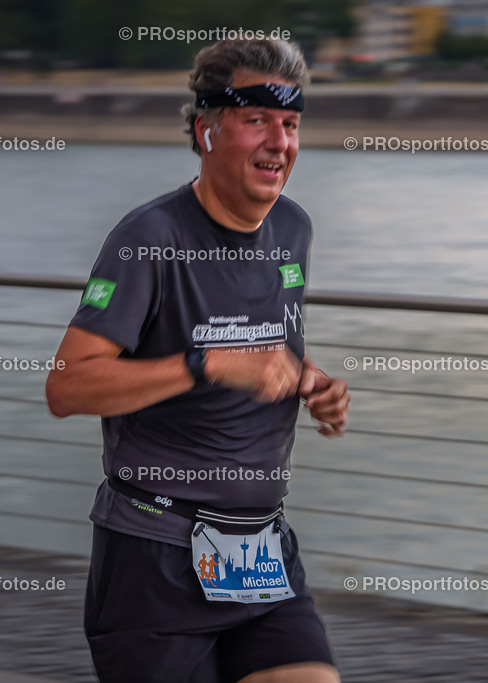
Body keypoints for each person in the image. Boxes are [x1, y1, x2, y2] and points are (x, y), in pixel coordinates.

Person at [45, 38, 349, 683]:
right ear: (206, 131)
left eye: (291, 124)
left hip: (260, 551)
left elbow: (269, 345)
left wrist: (311, 382)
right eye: (257, 120)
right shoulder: (147, 238)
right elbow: (67, 387)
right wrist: (203, 365)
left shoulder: (293, 229)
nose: (279, 142)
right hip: (154, 555)